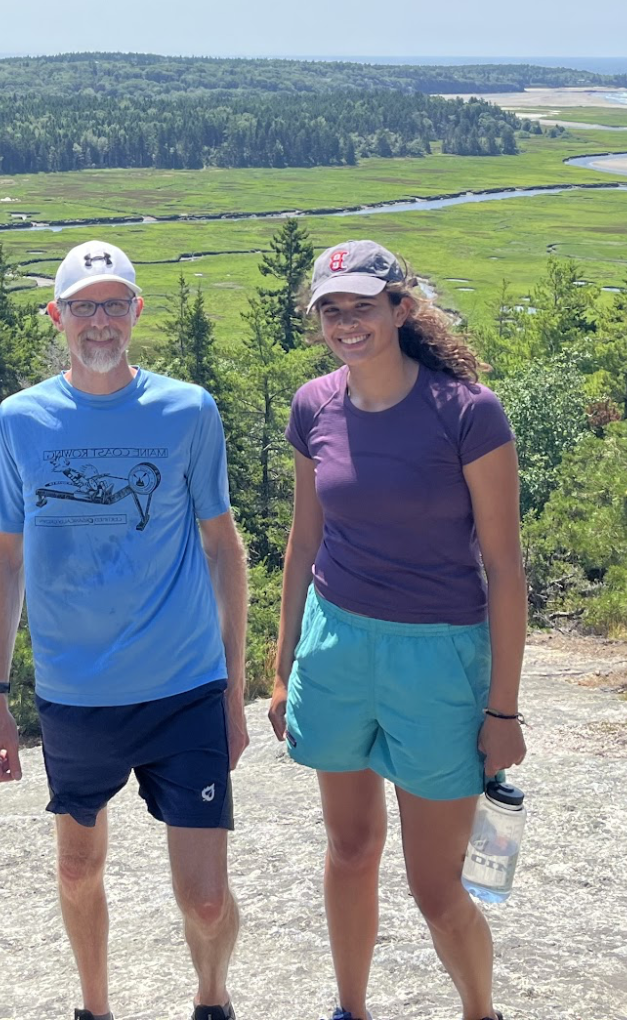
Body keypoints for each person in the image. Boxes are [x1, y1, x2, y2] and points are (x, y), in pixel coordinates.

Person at [0, 240, 249, 1020]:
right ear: (57, 317)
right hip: (75, 694)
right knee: (76, 872)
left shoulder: (188, 410)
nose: (100, 322)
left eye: (115, 304)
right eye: (84, 306)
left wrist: (233, 690)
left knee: (204, 901)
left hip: (183, 688)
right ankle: (94, 1009)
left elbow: (223, 548)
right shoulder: (20, 420)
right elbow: (4, 560)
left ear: (137, 311)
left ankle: (212, 996)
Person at [268, 240, 526, 1020]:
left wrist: (503, 710)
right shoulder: (314, 405)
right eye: (331, 310)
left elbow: (504, 566)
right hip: (337, 647)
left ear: (401, 309)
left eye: (363, 306)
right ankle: (352, 1008)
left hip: (436, 658)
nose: (347, 323)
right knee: (348, 851)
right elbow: (303, 543)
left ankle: (481, 1011)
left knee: (436, 886)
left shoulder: (468, 411)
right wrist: (283, 670)